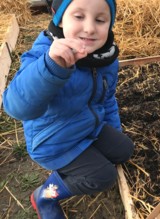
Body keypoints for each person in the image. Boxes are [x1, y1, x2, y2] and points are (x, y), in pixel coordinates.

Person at [2, 0, 134, 218]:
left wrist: (113, 131)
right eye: (79, 17)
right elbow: (16, 107)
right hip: (53, 142)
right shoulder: (45, 54)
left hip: (88, 128)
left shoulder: (106, 58)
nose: (90, 28)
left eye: (100, 19)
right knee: (103, 176)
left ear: (110, 24)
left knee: (124, 150)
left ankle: (83, 161)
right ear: (60, 19)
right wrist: (51, 66)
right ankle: (44, 196)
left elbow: (108, 100)